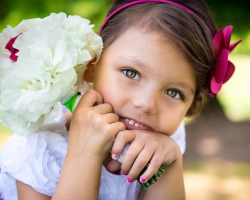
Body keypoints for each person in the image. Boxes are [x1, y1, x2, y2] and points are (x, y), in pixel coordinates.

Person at [0, 0, 241, 199]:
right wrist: (85, 155)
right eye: (131, 73)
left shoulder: (164, 144)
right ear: (92, 64)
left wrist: (171, 165)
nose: (146, 104)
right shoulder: (40, 150)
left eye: (174, 93)